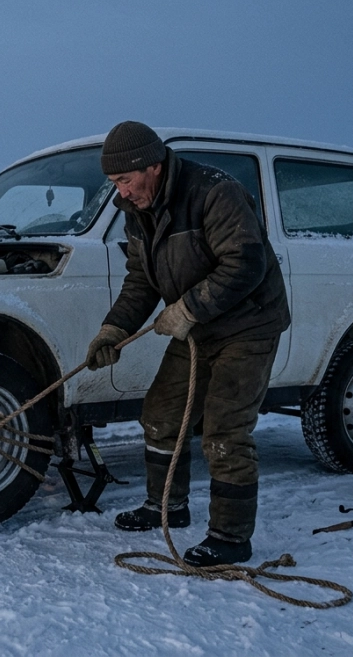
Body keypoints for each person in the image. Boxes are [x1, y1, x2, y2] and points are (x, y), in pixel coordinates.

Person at [86, 121, 290, 566]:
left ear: (153, 167)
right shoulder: (137, 210)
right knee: (161, 415)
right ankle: (168, 507)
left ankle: (231, 537)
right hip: (198, 327)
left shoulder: (215, 192)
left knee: (224, 431)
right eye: (113, 183)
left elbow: (246, 262)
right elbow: (141, 280)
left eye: (124, 180)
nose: (120, 192)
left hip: (247, 326)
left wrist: (187, 309)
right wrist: (113, 329)